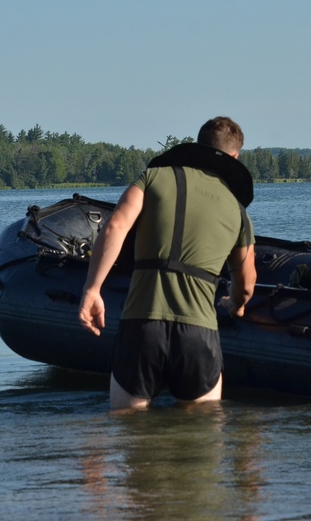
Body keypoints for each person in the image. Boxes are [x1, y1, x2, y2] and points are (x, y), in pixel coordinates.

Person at [79, 116, 257, 410]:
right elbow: (247, 284)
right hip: (199, 334)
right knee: (200, 436)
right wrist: (235, 305)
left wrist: (92, 289)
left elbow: (114, 228)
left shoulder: (153, 178)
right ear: (236, 157)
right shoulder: (238, 211)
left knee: (127, 426)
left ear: (199, 146)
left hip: (141, 326)